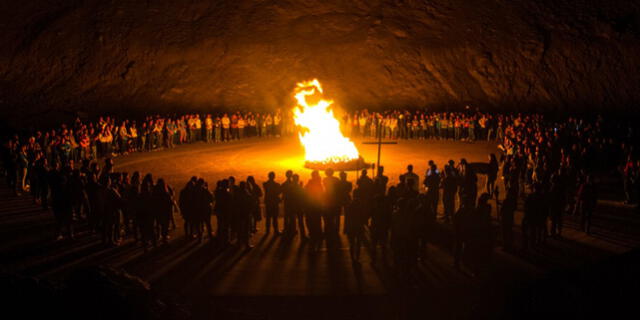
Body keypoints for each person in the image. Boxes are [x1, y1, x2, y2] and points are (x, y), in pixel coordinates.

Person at [345, 188, 367, 262]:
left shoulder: (349, 206)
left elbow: (347, 218)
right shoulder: (361, 206)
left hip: (351, 227)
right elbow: (364, 217)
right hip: (359, 226)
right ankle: (357, 257)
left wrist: (346, 228)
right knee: (358, 243)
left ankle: (353, 258)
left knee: (352, 243)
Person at [305, 170, 324, 252]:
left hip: (311, 204)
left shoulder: (310, 183)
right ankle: (318, 232)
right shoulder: (318, 183)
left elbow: (306, 192)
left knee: (311, 220)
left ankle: (313, 232)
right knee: (317, 219)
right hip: (316, 204)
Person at [322, 168, 341, 238]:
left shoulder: (325, 180)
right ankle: (336, 230)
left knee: (328, 216)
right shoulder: (336, 179)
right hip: (335, 198)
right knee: (336, 215)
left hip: (328, 199)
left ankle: (329, 229)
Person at [500, 187, 517, 252]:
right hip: (510, 217)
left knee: (505, 232)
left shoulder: (506, 200)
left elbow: (502, 209)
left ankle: (506, 245)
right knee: (509, 231)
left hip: (505, 218)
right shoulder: (513, 201)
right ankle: (510, 244)